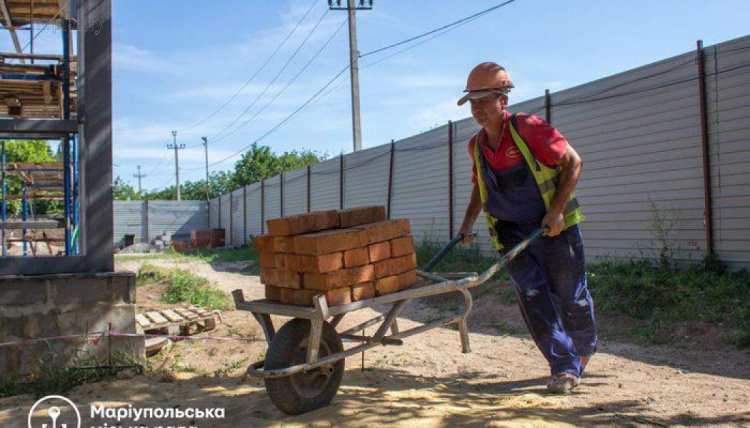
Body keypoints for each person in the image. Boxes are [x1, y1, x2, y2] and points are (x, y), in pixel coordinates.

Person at [456, 62, 597, 393]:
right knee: (533, 296)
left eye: (484, 100)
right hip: (511, 233)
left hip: (554, 228)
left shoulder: (529, 128)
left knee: (569, 296)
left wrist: (557, 211)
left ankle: (583, 350)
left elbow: (573, 162)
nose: (477, 109)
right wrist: (466, 224)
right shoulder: (475, 146)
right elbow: (481, 186)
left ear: (503, 99)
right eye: (472, 102)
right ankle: (563, 365)